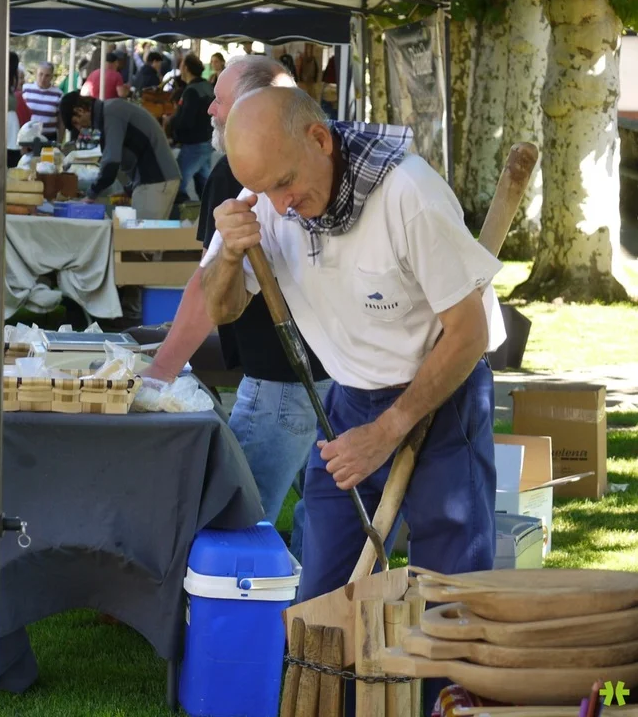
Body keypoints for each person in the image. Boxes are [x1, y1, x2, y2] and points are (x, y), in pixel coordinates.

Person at [200, 87, 502, 612]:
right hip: (347, 401)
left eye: (285, 183)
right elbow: (220, 309)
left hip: (441, 394)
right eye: (263, 190)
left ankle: (447, 671)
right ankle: (333, 669)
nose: (279, 205)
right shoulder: (264, 200)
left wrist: (388, 431)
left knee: (447, 593)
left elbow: (469, 333)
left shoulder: (408, 195)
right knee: (324, 594)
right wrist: (228, 255)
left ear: (320, 139)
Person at [142, 56, 330, 558]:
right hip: (330, 372)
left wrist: (161, 369)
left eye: (219, 100)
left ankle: (232, 598)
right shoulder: (309, 155)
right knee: (326, 513)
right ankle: (311, 597)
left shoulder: (240, 165)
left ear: (253, 105)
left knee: (237, 514)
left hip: (282, 377)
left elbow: (207, 290)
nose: (210, 111)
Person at [60, 90, 180, 220]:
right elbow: (133, 153)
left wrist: (91, 194)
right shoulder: (111, 110)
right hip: (156, 179)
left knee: (140, 232)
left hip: (155, 180)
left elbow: (111, 161)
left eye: (76, 122)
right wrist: (129, 189)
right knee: (147, 232)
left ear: (80, 110)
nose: (80, 128)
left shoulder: (111, 113)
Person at [167, 53, 214, 205]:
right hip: (207, 141)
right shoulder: (207, 86)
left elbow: (186, 121)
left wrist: (172, 127)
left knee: (177, 183)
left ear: (186, 68)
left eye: (181, 65)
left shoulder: (192, 91)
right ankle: (207, 211)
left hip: (194, 144)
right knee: (204, 185)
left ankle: (181, 213)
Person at [21, 61, 62, 143]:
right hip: (27, 137)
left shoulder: (58, 94)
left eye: (47, 75)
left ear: (52, 77)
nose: (43, 78)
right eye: (41, 74)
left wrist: (59, 142)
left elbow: (61, 122)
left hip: (49, 138)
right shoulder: (25, 90)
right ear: (36, 74)